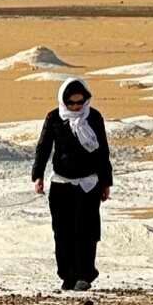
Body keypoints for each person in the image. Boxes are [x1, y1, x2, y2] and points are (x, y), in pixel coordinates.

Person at [31, 77, 113, 291]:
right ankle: (67, 276)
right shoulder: (54, 118)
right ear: (63, 101)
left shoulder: (94, 118)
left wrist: (106, 182)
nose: (76, 107)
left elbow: (102, 152)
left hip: (88, 185)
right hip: (62, 185)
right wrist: (38, 175)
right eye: (71, 103)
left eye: (80, 102)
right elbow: (44, 148)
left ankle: (85, 276)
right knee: (63, 232)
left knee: (87, 232)